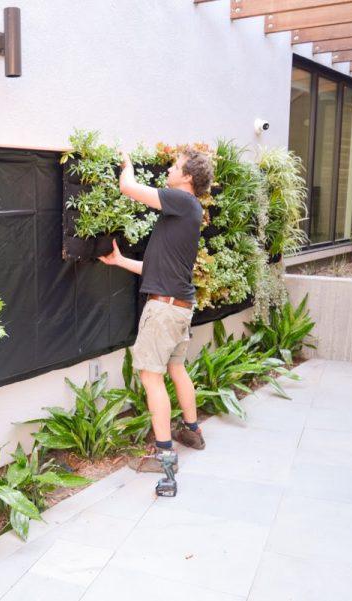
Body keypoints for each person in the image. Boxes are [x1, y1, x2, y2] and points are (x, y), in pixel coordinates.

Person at [99, 148, 213, 483]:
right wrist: (120, 262)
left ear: (188, 177)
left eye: (176, 165)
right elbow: (155, 267)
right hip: (179, 307)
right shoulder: (187, 212)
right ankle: (191, 431)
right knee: (176, 368)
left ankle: (165, 455)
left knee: (151, 377)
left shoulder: (182, 200)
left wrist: (128, 166)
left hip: (163, 310)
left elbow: (128, 188)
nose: (169, 168)